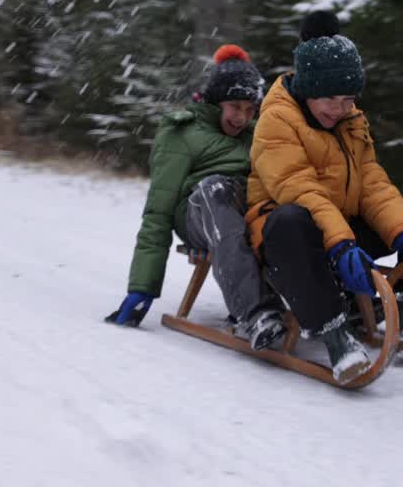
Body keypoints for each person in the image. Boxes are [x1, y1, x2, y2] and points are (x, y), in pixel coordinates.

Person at [245, 11, 403, 384]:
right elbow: (300, 189)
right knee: (292, 220)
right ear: (308, 88)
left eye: (348, 98)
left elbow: (372, 182)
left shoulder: (350, 119)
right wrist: (340, 245)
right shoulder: (276, 120)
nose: (340, 108)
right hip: (293, 237)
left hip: (340, 228)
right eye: (330, 98)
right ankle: (335, 334)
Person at [107, 45, 288, 353]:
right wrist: (142, 287)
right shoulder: (183, 131)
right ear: (216, 102)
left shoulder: (257, 134)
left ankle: (336, 302)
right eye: (234, 106)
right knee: (214, 189)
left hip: (246, 211)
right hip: (198, 213)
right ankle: (256, 312)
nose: (242, 117)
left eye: (250, 109)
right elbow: (158, 210)